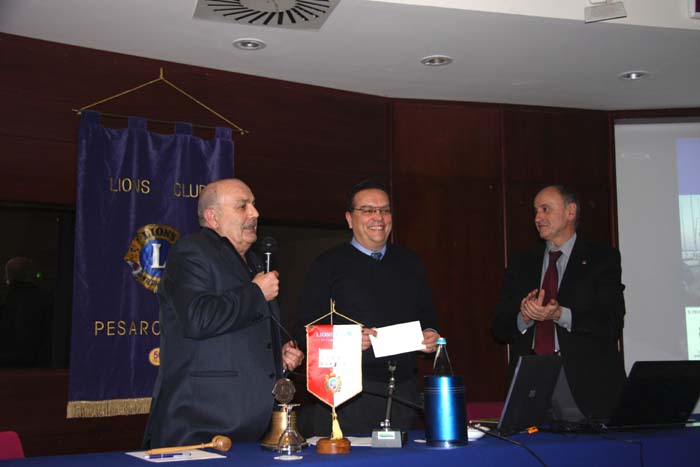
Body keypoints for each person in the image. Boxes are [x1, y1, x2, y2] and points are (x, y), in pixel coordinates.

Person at [144, 178, 304, 448]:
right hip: (202, 424)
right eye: (243, 206)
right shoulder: (191, 251)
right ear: (213, 218)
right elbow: (198, 318)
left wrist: (278, 357)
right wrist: (256, 293)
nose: (255, 213)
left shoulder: (253, 263)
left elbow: (237, 334)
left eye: (254, 205)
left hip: (252, 425)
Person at [296, 179, 440, 436]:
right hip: (348, 395)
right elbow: (304, 329)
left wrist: (430, 332)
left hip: (403, 393)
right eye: (368, 210)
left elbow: (427, 314)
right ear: (349, 219)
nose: (379, 217)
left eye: (385, 210)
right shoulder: (327, 265)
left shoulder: (410, 262)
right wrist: (346, 339)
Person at [491, 185, 626, 421]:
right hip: (531, 382)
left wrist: (559, 314)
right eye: (535, 211)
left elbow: (611, 322)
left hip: (584, 384)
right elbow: (499, 328)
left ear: (570, 212)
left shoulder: (602, 259)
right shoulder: (522, 263)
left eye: (546, 209)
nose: (538, 218)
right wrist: (524, 317)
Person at [0, 257, 53, 367]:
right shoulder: (46, 298)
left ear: (9, 277)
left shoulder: (8, 301)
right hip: (40, 364)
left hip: (11, 364)